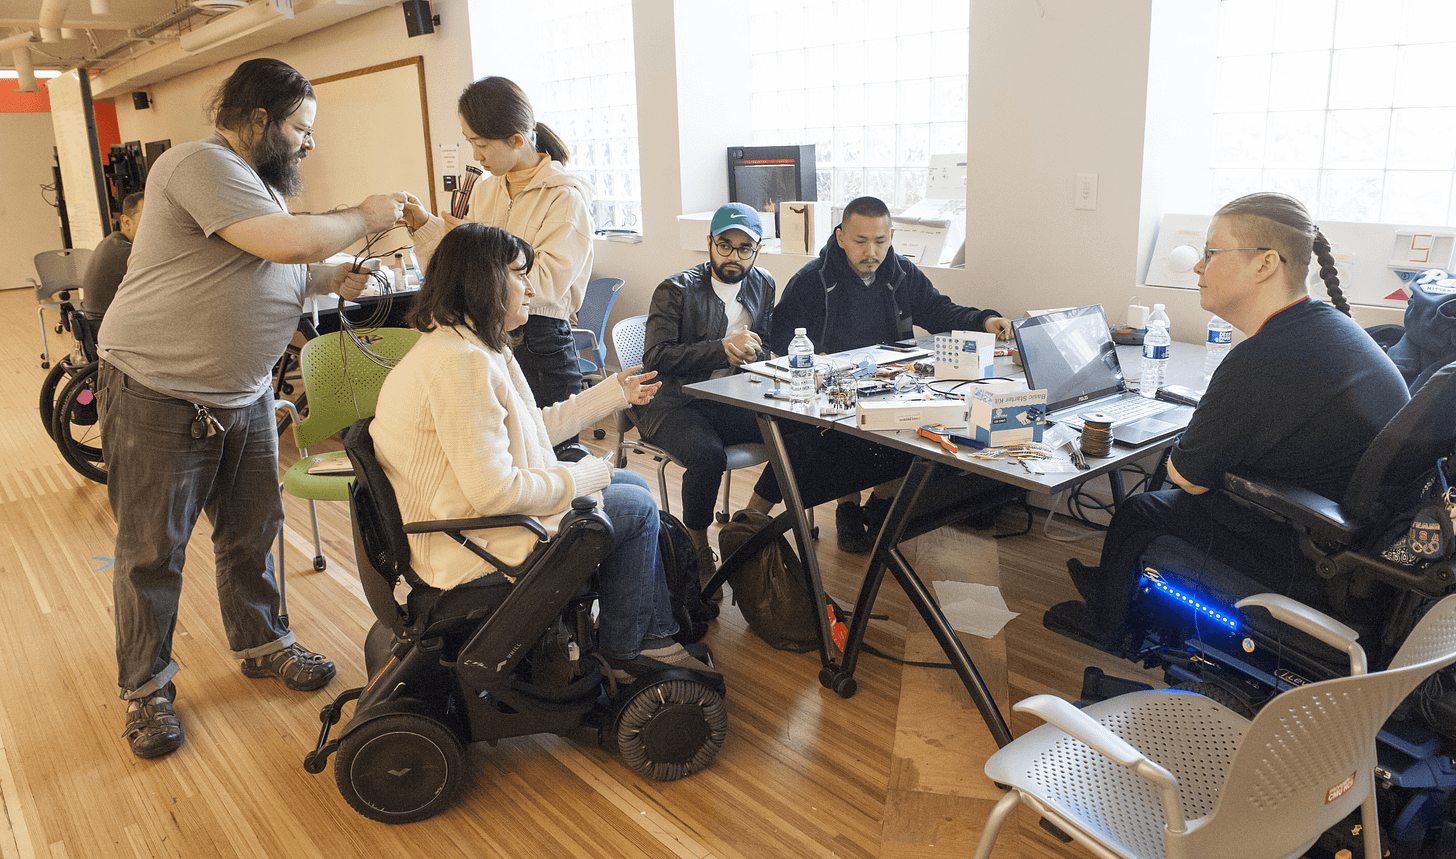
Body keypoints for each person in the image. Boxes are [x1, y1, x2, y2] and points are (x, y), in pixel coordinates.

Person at [97, 58, 407, 759]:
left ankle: (263, 641)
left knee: (253, 528)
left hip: (242, 394)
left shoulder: (256, 186)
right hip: (157, 389)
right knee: (152, 550)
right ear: (261, 120)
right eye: (301, 127)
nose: (308, 142)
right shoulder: (194, 164)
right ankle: (146, 692)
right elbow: (285, 242)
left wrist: (333, 274)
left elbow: (277, 264)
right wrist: (365, 215)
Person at [1047, 192, 1411, 649]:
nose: (1198, 267)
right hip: (1352, 544)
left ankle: (1108, 624)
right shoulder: (1324, 327)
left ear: (1265, 264)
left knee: (1142, 509)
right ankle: (1121, 590)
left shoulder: (1265, 357)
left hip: (1309, 553)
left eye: (1211, 253)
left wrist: (1203, 426)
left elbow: (1189, 479)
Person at [371, 222, 718, 683]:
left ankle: (644, 633)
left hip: (464, 519)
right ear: (483, 282)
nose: (533, 287)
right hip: (469, 541)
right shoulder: (461, 366)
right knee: (634, 503)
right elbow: (495, 494)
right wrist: (584, 478)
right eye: (520, 274)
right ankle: (631, 647)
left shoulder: (474, 344)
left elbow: (532, 429)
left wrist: (611, 393)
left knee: (629, 485)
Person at [769, 195, 1014, 552]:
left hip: (892, 384)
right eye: (860, 241)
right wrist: (818, 359)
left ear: (891, 236)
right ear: (840, 237)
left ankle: (882, 500)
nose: (872, 251)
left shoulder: (900, 272)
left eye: (881, 241)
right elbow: (780, 335)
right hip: (835, 391)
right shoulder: (811, 280)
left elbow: (938, 310)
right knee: (840, 439)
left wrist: (983, 320)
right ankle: (847, 507)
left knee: (923, 431)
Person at [401, 76, 594, 424]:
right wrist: (425, 227)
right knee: (501, 458)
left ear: (517, 140)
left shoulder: (565, 197)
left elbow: (546, 284)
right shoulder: (485, 190)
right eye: (469, 142)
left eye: (482, 144)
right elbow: (457, 274)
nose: (475, 155)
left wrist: (483, 255)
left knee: (552, 459)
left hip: (541, 342)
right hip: (488, 335)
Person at [633, 203, 780, 579]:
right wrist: (722, 347)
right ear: (710, 243)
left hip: (728, 396)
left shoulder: (763, 283)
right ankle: (697, 543)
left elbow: (764, 341)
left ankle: (750, 520)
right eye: (725, 245)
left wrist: (754, 352)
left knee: (793, 431)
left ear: (758, 249)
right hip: (670, 402)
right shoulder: (675, 290)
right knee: (708, 456)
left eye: (745, 248)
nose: (734, 256)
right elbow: (656, 356)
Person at [82, 190, 144, 333]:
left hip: (101, 326)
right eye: (147, 219)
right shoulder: (123, 252)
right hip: (106, 331)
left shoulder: (113, 242)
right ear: (126, 221)